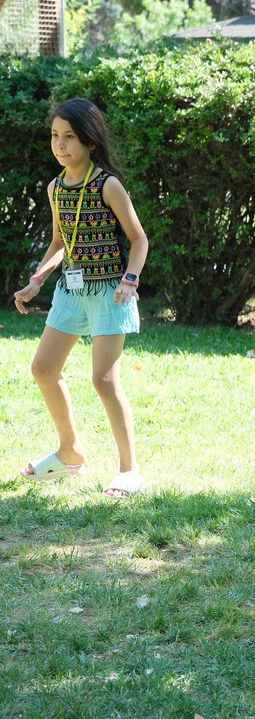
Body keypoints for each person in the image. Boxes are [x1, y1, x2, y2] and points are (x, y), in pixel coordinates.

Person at [12, 98, 149, 499]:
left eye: (69, 136)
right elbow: (59, 241)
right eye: (55, 136)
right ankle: (70, 451)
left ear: (90, 142)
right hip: (70, 292)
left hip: (110, 291)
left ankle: (129, 471)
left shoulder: (108, 184)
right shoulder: (56, 187)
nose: (60, 144)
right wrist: (38, 279)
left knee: (104, 379)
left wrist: (130, 279)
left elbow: (139, 240)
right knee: (43, 369)